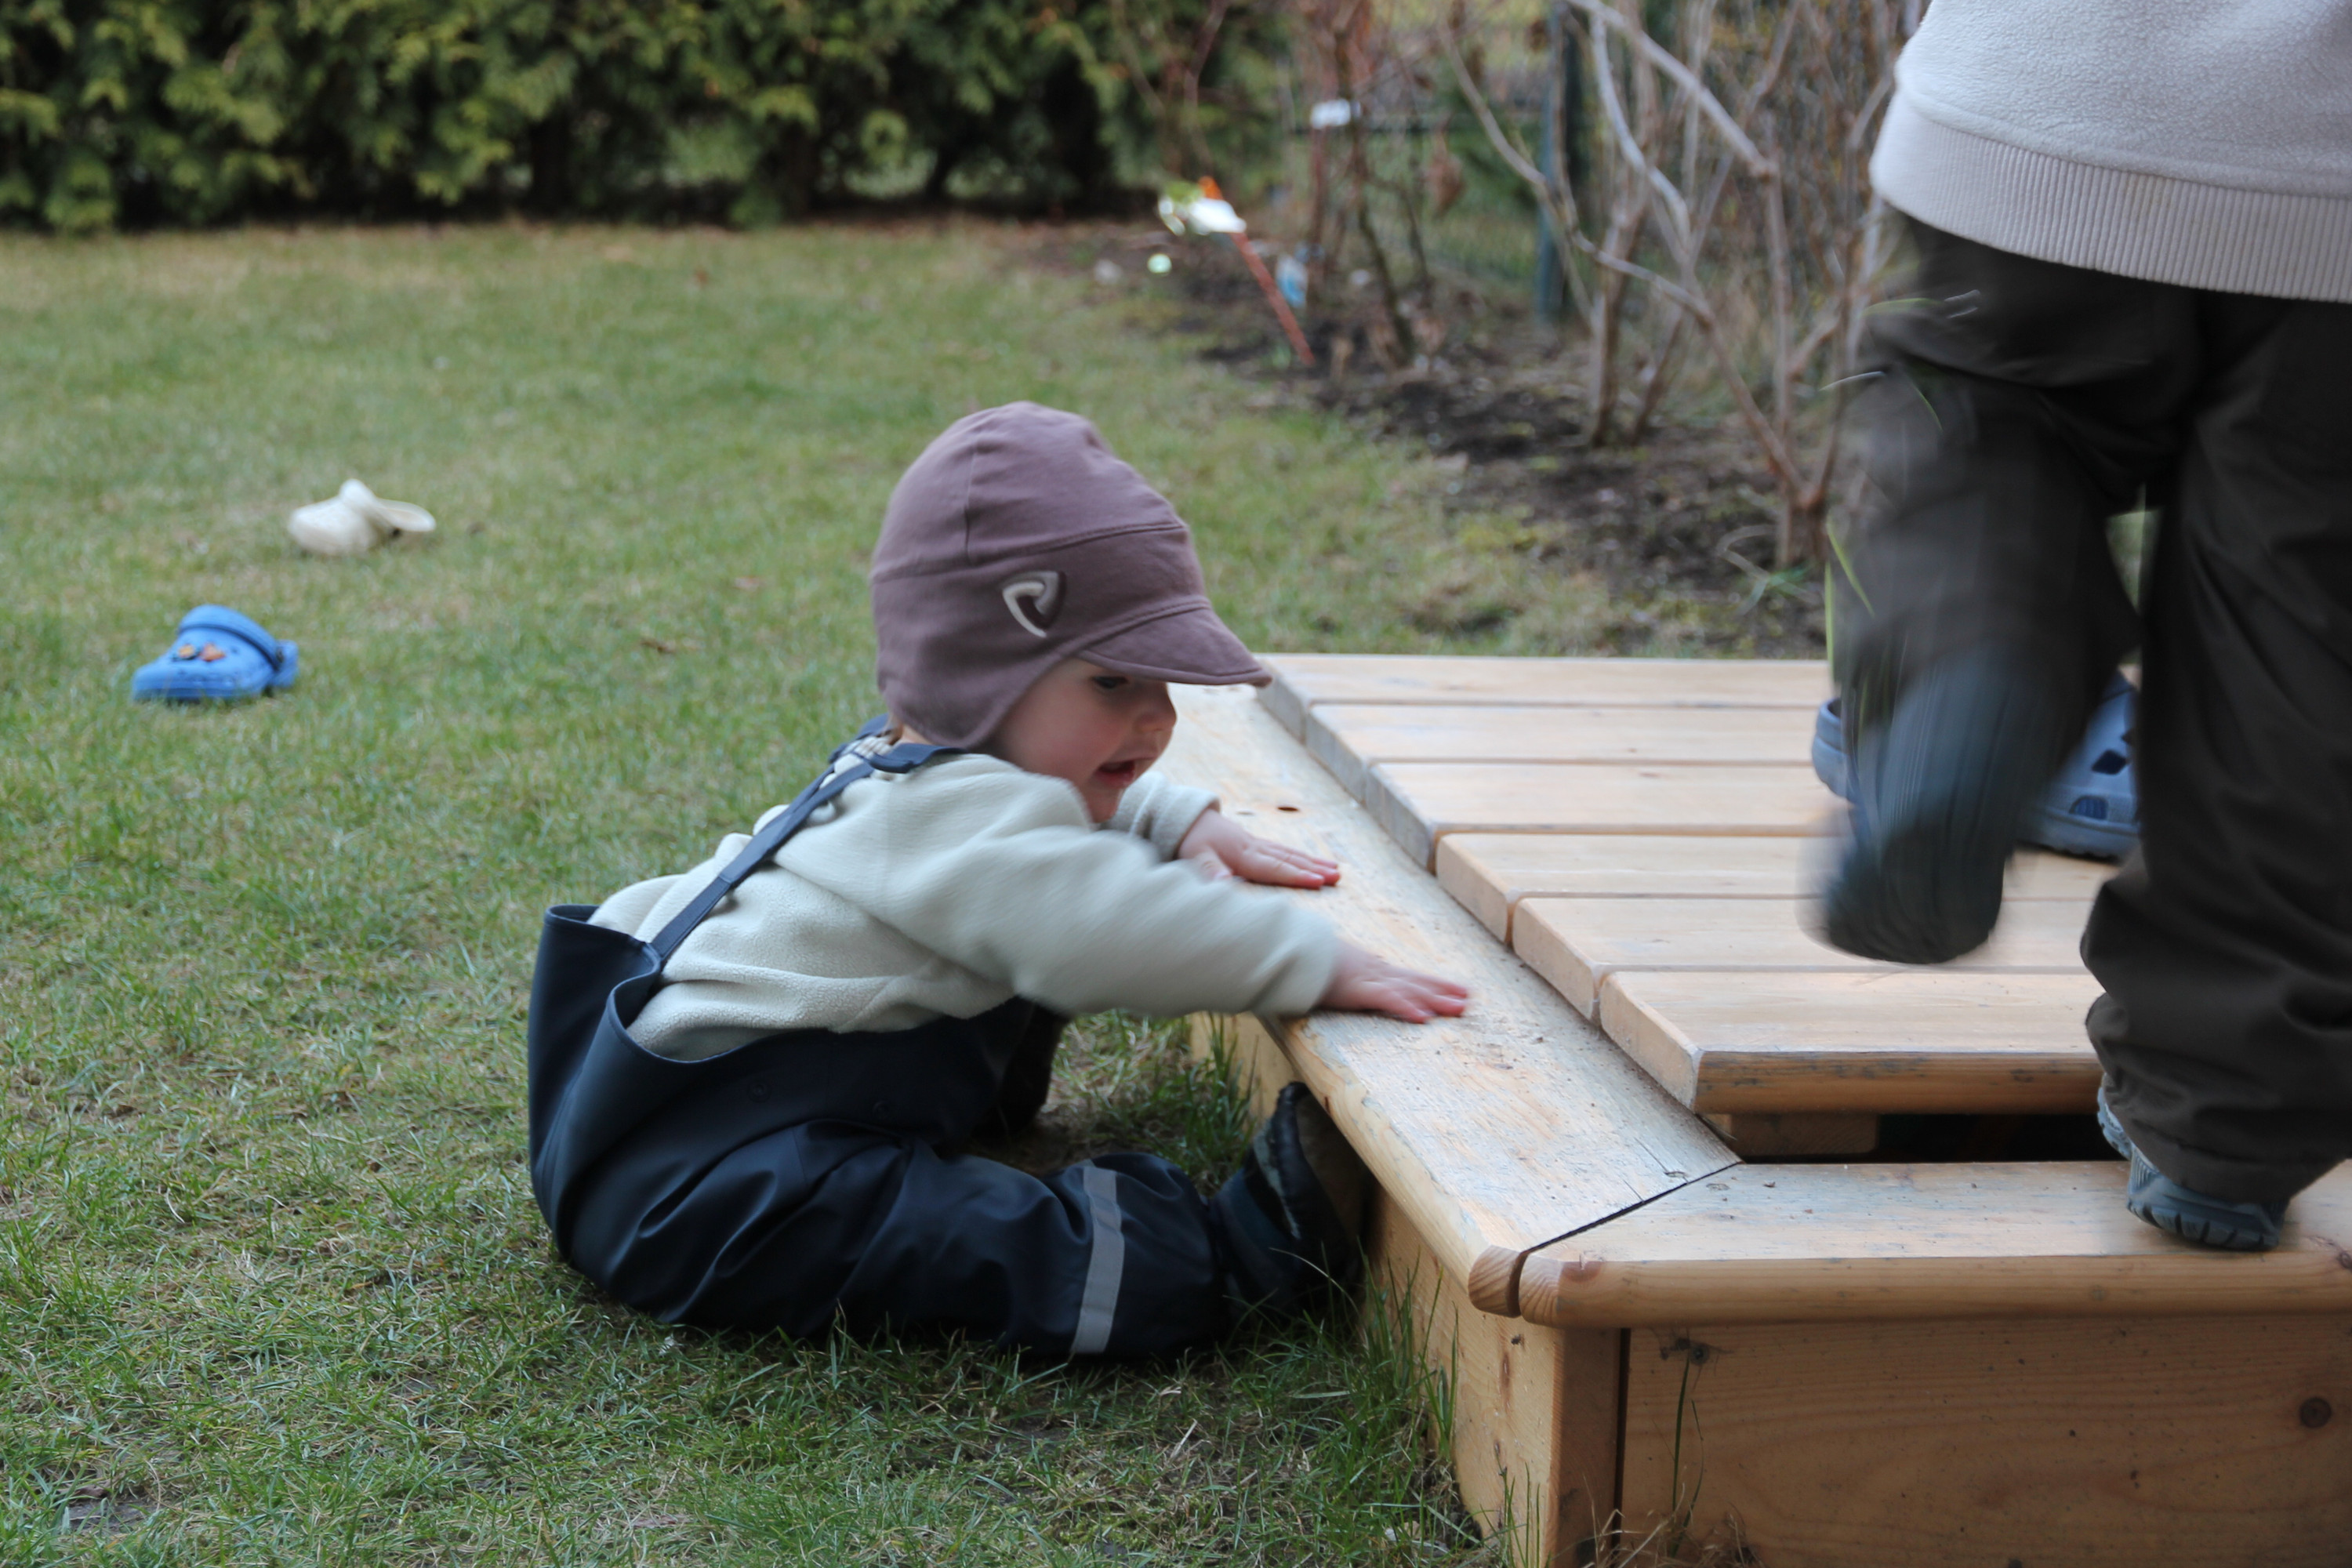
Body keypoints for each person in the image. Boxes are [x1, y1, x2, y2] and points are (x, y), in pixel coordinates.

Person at [524, 401, 1468, 1356]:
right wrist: (1311, 960)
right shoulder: (956, 820)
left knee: (1040, 901)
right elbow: (1109, 928)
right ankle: (1219, 1258)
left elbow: (1046, 824)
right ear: (982, 678)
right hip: (707, 1189)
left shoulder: (913, 768)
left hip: (706, 1111)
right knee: (939, 1233)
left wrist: (1171, 820)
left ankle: (977, 1098)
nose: (1158, 718)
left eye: (1164, 683)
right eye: (1114, 681)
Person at [1820, 1, 2352, 1250]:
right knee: (2301, 638)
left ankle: (1969, 679)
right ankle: (2222, 1125)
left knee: (1991, 438)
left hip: (2056, 92)